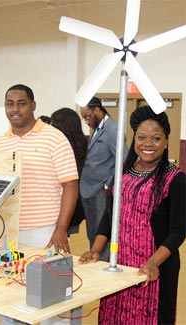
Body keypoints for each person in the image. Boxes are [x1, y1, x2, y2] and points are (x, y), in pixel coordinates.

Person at [79, 105, 186, 325]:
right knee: (115, 316)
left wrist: (153, 263)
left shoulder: (175, 179)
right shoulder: (122, 174)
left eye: (156, 138)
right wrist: (96, 250)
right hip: (120, 265)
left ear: (166, 141)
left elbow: (178, 232)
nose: (148, 144)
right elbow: (109, 218)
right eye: (141, 137)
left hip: (155, 268)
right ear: (134, 139)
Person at [0, 84, 78, 253]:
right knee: (8, 279)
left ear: (33, 105)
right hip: (6, 230)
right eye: (10, 104)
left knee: (43, 279)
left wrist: (61, 227)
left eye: (21, 103)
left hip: (44, 231)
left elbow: (70, 185)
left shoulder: (55, 138)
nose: (15, 109)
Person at [80, 96, 128, 260]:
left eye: (88, 116)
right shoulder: (98, 128)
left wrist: (109, 185)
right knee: (92, 232)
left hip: (101, 190)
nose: (86, 121)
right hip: (88, 189)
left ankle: (102, 265)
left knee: (102, 234)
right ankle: (94, 260)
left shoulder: (112, 129)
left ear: (98, 110)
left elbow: (123, 160)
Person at [50, 107, 88, 235]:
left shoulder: (61, 151)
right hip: (78, 207)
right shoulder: (82, 148)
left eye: (53, 123)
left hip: (62, 210)